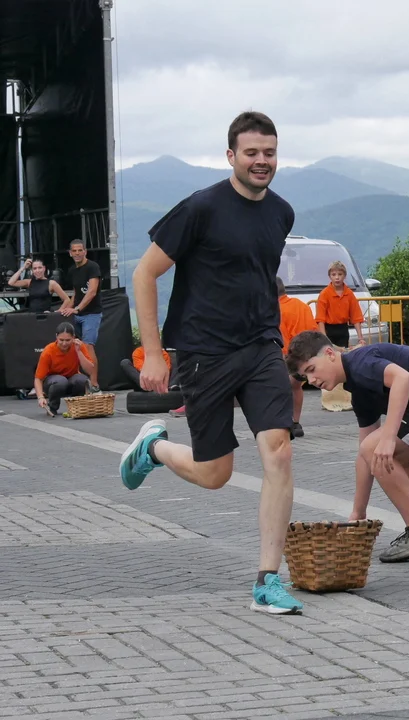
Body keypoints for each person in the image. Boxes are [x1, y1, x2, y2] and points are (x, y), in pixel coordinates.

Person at [119, 111, 304, 616]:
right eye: (252, 152)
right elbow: (144, 274)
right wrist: (153, 353)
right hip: (205, 354)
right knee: (215, 473)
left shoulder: (281, 213)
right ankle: (154, 448)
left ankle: (268, 580)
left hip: (261, 346)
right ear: (231, 156)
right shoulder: (201, 208)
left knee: (279, 451)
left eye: (269, 152)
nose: (262, 161)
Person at [286, 330, 409, 562]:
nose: (312, 380)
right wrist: (358, 513)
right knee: (383, 455)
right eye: (305, 376)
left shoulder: (361, 363)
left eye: (312, 369)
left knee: (380, 449)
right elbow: (364, 455)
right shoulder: (358, 388)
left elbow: (402, 378)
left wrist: (388, 437)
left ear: (330, 354)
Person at [60, 240, 103, 392]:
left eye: (80, 250)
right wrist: (66, 309)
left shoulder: (93, 267)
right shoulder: (72, 270)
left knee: (88, 346)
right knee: (73, 347)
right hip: (76, 314)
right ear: (70, 253)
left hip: (91, 314)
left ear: (85, 251)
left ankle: (94, 384)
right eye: (74, 251)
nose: (77, 253)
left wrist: (77, 309)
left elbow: (91, 292)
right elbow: (76, 293)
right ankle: (77, 381)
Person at [277, 277, 317, 438]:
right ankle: (295, 422)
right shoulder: (301, 305)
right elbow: (313, 329)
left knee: (282, 388)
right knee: (295, 386)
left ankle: (283, 422)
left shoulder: (275, 310)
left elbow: (280, 338)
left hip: (287, 356)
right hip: (305, 354)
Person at [33, 322, 93, 417]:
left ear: (73, 337)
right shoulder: (48, 351)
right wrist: (40, 397)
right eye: (61, 340)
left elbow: (90, 370)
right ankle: (53, 407)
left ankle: (76, 407)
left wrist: (78, 351)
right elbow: (38, 378)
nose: (64, 344)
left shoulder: (79, 346)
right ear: (56, 337)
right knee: (61, 381)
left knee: (82, 379)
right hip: (53, 383)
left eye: (68, 340)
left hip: (71, 379)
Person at [315, 261, 365, 348]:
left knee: (343, 353)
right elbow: (320, 319)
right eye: (333, 275)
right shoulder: (324, 294)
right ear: (330, 276)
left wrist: (360, 338)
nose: (337, 277)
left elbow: (356, 316)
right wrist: (324, 337)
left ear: (344, 276)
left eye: (340, 274)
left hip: (343, 329)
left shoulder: (349, 294)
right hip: (328, 330)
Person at [8, 258, 72, 313]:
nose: (37, 270)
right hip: (32, 316)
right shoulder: (29, 282)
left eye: (40, 268)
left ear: (44, 268)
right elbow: (11, 282)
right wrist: (23, 267)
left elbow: (67, 300)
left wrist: (57, 312)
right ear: (32, 270)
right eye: (35, 268)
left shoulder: (51, 283)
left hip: (46, 316)